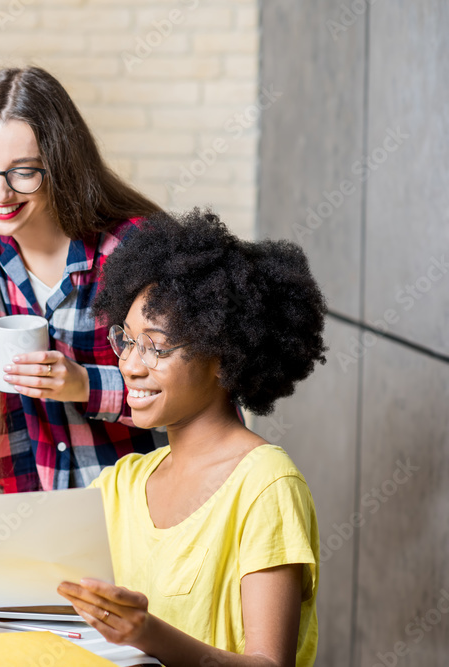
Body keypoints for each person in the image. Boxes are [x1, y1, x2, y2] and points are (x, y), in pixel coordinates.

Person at [58, 208, 325, 665]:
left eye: (157, 347)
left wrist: (148, 634)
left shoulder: (266, 485)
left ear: (222, 355)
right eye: (127, 339)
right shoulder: (122, 483)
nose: (130, 365)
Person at [0, 67, 162, 497]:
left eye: (23, 172)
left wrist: (82, 384)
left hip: (141, 507)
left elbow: (189, 392)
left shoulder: (130, 249)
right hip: (40, 513)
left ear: (61, 166)